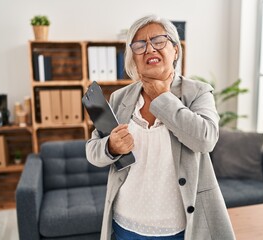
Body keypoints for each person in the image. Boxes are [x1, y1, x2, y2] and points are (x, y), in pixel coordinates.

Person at [86, 15, 235, 240]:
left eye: (159, 41)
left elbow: (205, 140)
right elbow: (92, 151)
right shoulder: (119, 98)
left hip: (179, 229)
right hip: (124, 223)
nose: (149, 49)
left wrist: (162, 97)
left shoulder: (198, 93)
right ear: (132, 58)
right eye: (140, 45)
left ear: (175, 50)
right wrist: (111, 146)